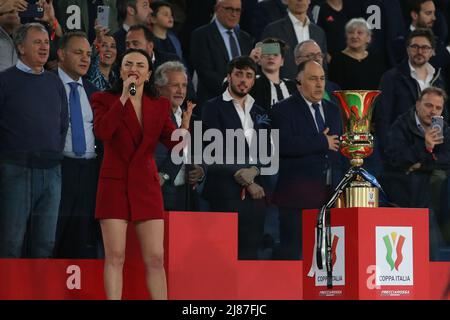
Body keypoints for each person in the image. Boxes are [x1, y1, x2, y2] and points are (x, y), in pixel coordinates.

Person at [91, 48, 194, 299]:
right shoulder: (103, 99)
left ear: (148, 74)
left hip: (146, 187)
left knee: (156, 258)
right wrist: (124, 98)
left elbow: (174, 144)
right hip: (115, 185)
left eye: (140, 65)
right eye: (128, 64)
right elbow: (103, 132)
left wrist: (184, 128)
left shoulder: (159, 105)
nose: (133, 69)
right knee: (115, 256)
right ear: (120, 69)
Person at [0, 22, 68, 258]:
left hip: (51, 172)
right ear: (20, 47)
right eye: (37, 42)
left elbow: (62, 123)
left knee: (45, 243)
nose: (44, 47)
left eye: (46, 42)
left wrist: (52, 154)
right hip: (16, 170)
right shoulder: (5, 81)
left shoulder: (54, 82)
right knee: (10, 241)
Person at [271, 60, 343, 260]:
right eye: (313, 79)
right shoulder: (282, 110)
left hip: (328, 196)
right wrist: (321, 141)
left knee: (325, 258)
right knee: (294, 256)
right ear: (299, 83)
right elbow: (284, 145)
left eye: (322, 79)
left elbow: (337, 149)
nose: (319, 84)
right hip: (296, 198)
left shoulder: (333, 110)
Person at [202, 56, 271, 260]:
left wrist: (255, 171)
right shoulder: (212, 107)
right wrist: (245, 176)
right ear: (229, 77)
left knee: (251, 252)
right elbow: (211, 150)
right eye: (239, 74)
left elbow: (267, 149)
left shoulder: (260, 111)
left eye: (249, 76)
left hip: (256, 194)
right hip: (224, 192)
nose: (243, 80)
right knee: (223, 254)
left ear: (253, 80)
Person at [381, 87, 450, 259]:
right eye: (428, 105)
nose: (433, 111)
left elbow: (447, 159)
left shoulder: (444, 128)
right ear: (418, 104)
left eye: (438, 108)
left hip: (426, 194)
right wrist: (426, 148)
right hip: (402, 192)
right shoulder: (401, 124)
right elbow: (395, 158)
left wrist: (421, 163)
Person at [54, 31, 102, 259]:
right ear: (61, 54)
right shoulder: (47, 83)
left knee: (81, 239)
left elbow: (130, 94)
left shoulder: (94, 91)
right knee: (53, 236)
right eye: (78, 52)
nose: (85, 59)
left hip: (89, 171)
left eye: (89, 54)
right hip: (58, 169)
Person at [374, 28, 447, 159]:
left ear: (432, 52)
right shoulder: (391, 77)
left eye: (425, 48)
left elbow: (444, 116)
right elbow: (382, 118)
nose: (419, 51)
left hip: (433, 155)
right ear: (407, 49)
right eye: (415, 47)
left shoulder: (439, 79)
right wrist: (388, 152)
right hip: (401, 152)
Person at [154, 60, 205, 211]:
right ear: (159, 88)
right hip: (161, 191)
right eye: (175, 85)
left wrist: (201, 170)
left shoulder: (191, 117)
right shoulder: (153, 116)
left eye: (184, 85)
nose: (181, 91)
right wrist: (164, 175)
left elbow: (200, 154)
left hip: (187, 194)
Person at [190, 0, 254, 105]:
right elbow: (205, 71)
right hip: (212, 104)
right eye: (229, 9)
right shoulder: (201, 35)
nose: (234, 14)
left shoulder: (245, 38)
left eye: (238, 10)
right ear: (217, 9)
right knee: (199, 123)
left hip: (242, 103)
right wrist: (232, 88)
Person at [261, 0, 327, 80]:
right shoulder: (273, 30)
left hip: (313, 88)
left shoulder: (319, 32)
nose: (300, 0)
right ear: (285, 1)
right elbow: (268, 65)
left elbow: (324, 66)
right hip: (285, 88)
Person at [328, 18, 386, 90]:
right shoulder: (337, 60)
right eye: (351, 32)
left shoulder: (376, 59)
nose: (354, 36)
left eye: (359, 33)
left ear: (368, 38)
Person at [249, 37, 297, 111]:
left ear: (282, 61)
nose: (271, 57)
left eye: (275, 54)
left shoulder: (292, 86)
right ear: (259, 60)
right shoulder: (252, 83)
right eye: (266, 54)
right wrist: (250, 62)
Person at [87, 24, 118, 91]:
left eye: (113, 46)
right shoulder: (89, 71)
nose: (109, 50)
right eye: (104, 45)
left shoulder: (116, 78)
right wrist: (97, 43)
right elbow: (89, 55)